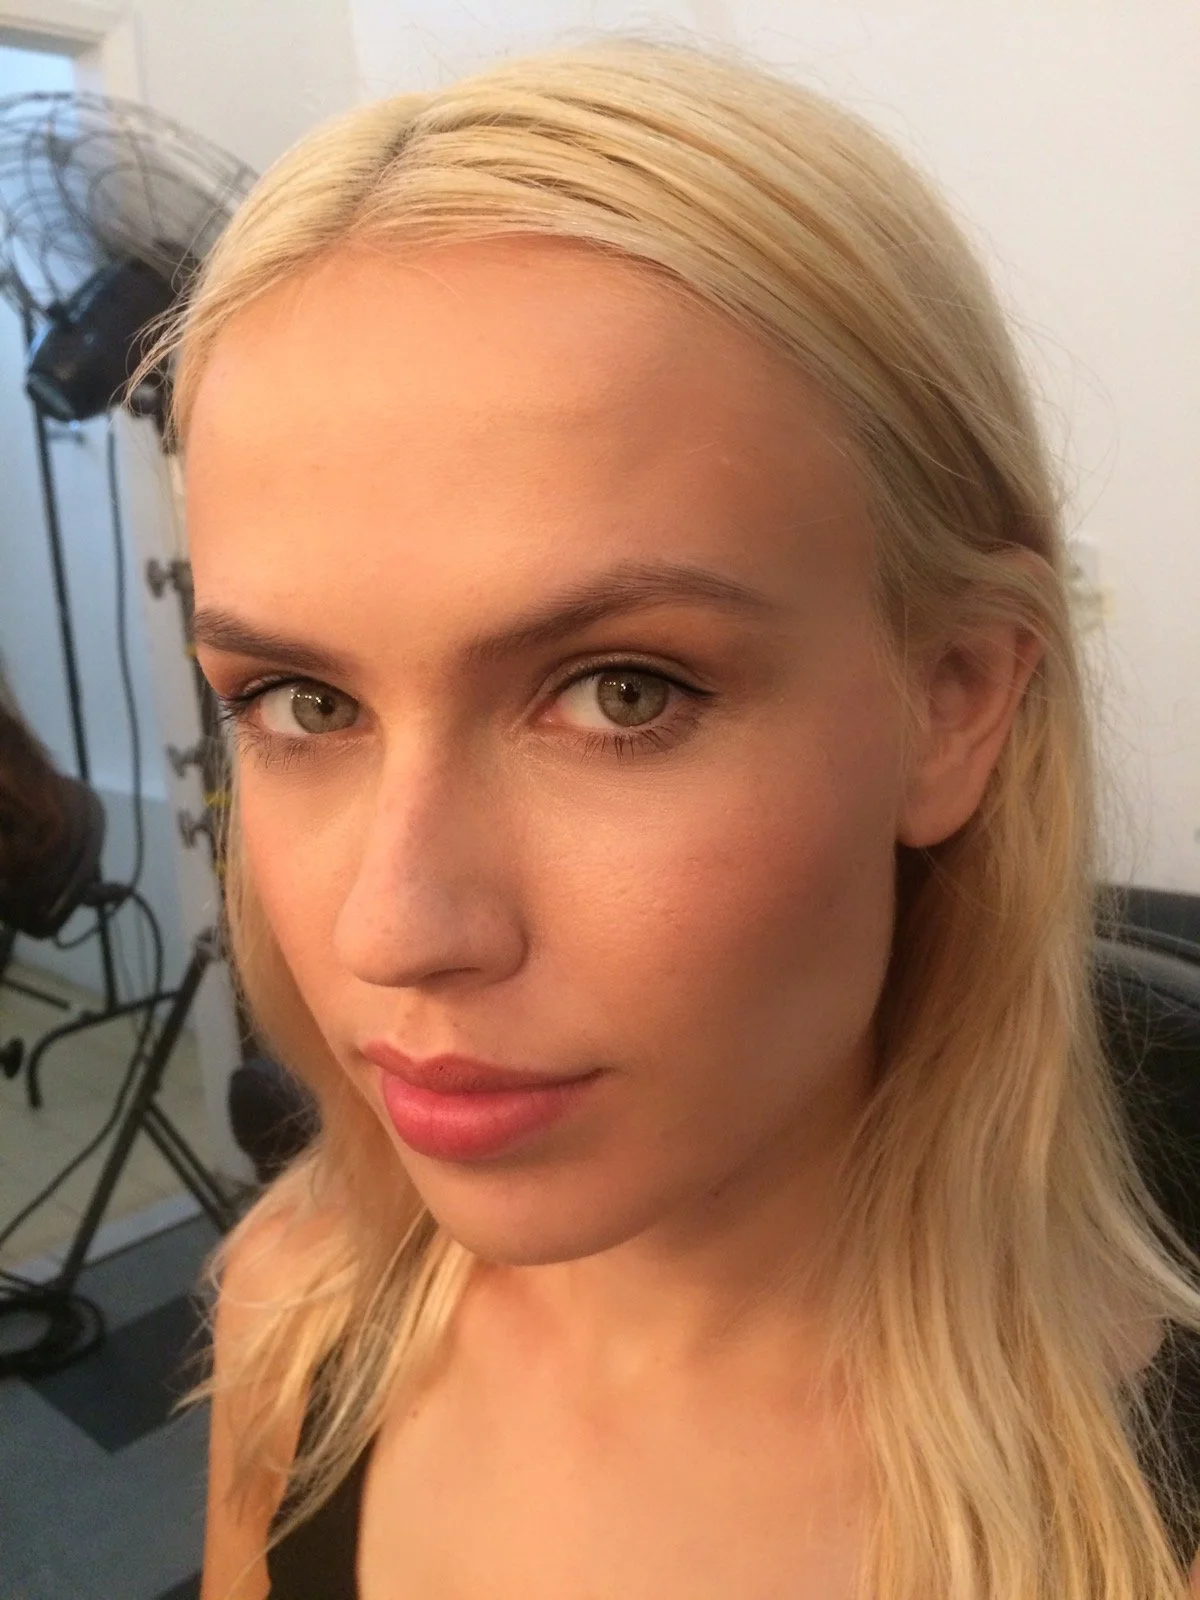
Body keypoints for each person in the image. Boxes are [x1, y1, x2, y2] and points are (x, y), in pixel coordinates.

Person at [144, 33, 1200, 1600]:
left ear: (957, 699)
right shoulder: (295, 1318)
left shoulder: (1147, 1511)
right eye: (303, 701)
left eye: (622, 691)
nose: (394, 927)